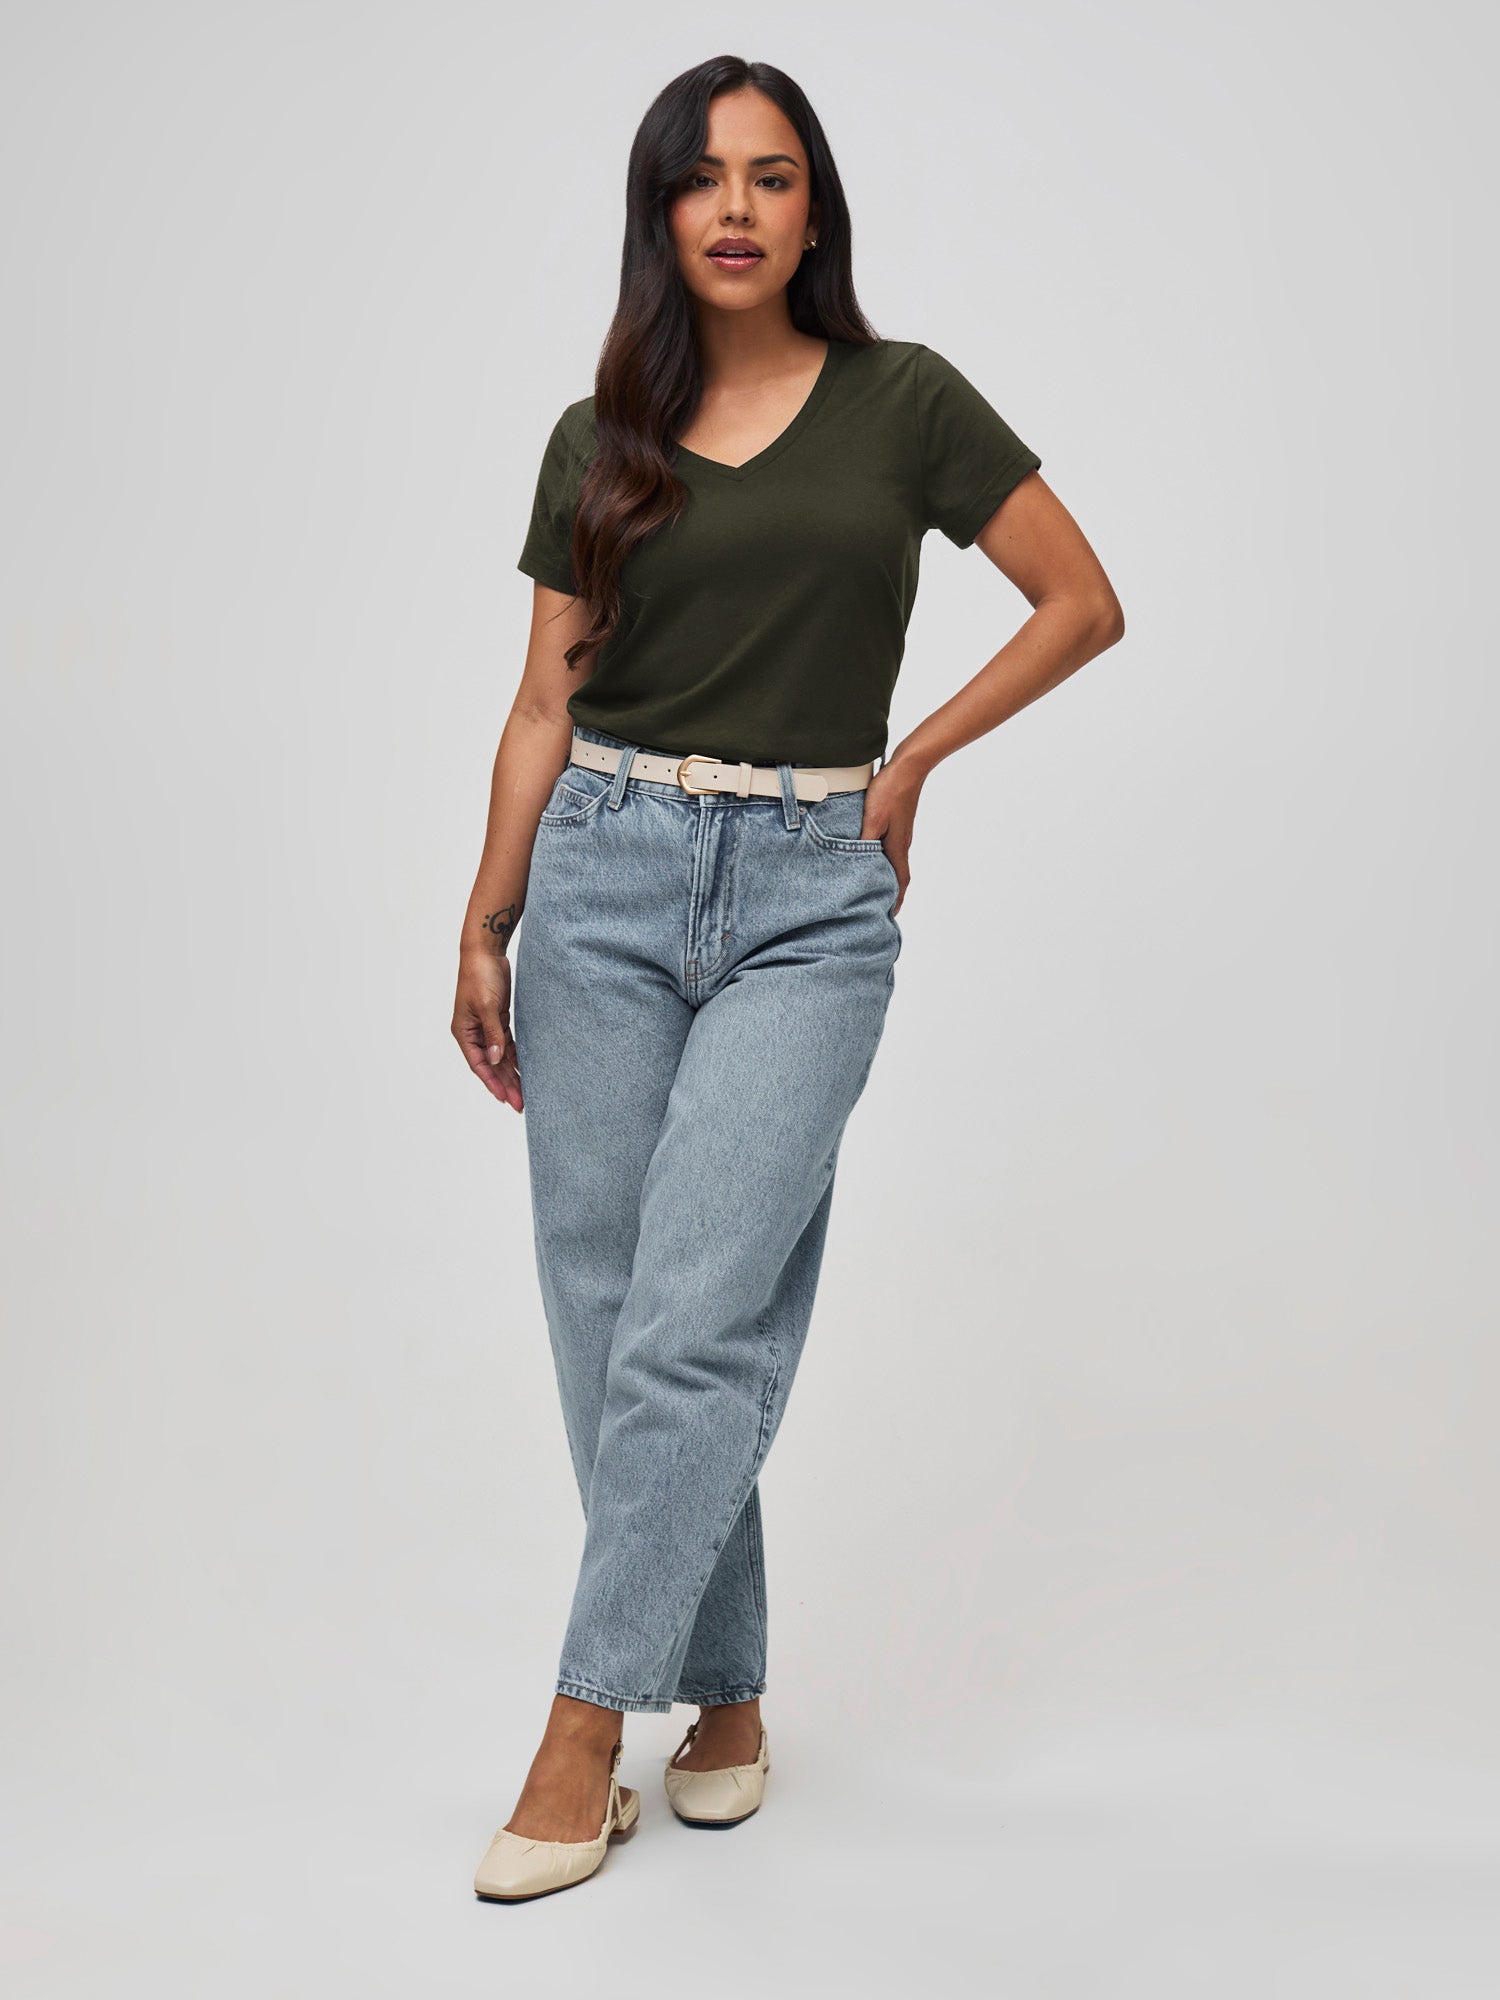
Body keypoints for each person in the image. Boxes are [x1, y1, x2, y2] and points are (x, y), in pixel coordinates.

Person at [454, 55, 1123, 1903]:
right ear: (661, 213)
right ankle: (728, 1691)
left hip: (812, 897)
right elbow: (541, 704)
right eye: (702, 178)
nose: (736, 208)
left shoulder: (907, 402)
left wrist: (912, 767)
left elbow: (1082, 601)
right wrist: (486, 918)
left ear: (815, 207)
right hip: (599, 873)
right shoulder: (598, 439)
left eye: (770, 174)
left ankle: (584, 1729)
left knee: (695, 1316)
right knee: (609, 1312)